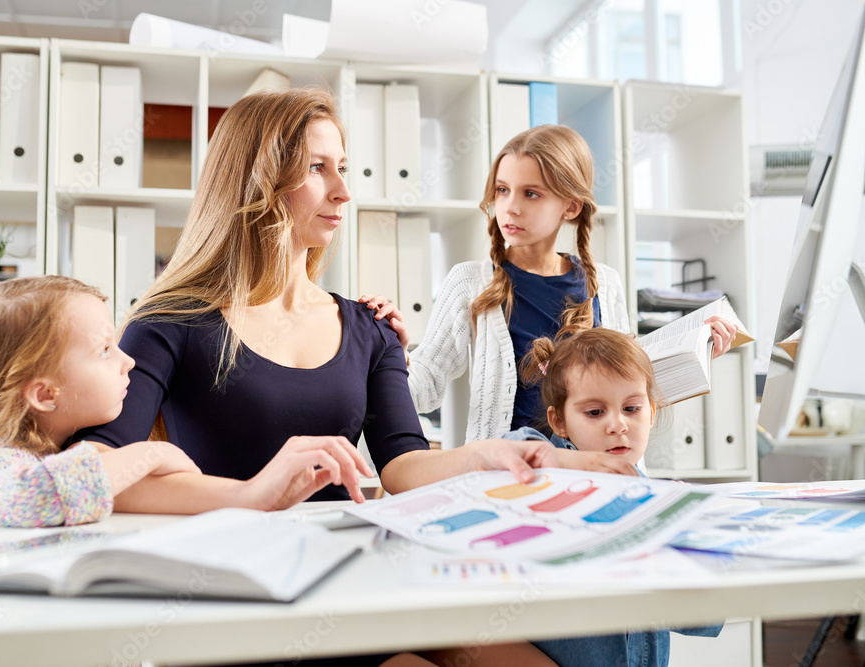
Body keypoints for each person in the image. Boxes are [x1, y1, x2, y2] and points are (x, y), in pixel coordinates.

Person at [75, 87, 632, 667]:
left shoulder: (367, 326)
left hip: (357, 581)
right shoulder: (172, 321)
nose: (343, 190)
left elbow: (401, 464)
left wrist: (487, 457)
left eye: (341, 167)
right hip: (242, 600)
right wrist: (250, 496)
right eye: (317, 168)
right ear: (255, 179)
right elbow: (100, 474)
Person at [362, 125, 738, 448]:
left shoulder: (604, 283)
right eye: (502, 190)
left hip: (593, 473)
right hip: (508, 477)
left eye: (531, 193)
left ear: (571, 206)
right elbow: (425, 388)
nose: (509, 207)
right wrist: (392, 353)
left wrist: (696, 353)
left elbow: (630, 392)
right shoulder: (469, 282)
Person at [499, 327, 722, 666]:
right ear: (559, 421)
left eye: (632, 408)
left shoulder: (661, 497)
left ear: (652, 412)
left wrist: (693, 539)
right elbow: (507, 451)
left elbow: (704, 619)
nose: (617, 425)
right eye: (594, 412)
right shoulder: (547, 473)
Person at [0, 276, 203, 551]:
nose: (128, 361)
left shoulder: (53, 445)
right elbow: (36, 495)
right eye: (104, 351)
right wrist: (151, 455)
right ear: (44, 395)